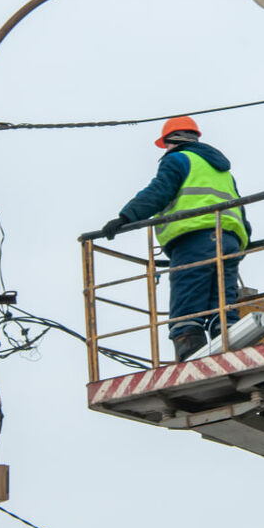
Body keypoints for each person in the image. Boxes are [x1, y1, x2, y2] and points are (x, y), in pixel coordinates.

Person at [100, 116, 250, 361]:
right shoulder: (221, 170)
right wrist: (243, 244)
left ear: (170, 141)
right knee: (222, 304)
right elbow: (241, 208)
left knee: (188, 298)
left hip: (195, 238)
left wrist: (125, 217)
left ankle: (189, 349)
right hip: (230, 240)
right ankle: (231, 344)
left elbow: (159, 191)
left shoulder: (178, 159)